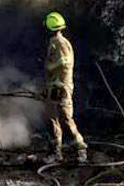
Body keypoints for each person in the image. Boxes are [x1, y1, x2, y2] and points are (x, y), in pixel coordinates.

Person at [44, 11, 87, 163]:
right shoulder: (55, 41)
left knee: (65, 118)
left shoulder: (60, 43)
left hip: (61, 87)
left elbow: (65, 61)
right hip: (55, 86)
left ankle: (80, 148)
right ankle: (56, 152)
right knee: (53, 118)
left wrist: (50, 66)